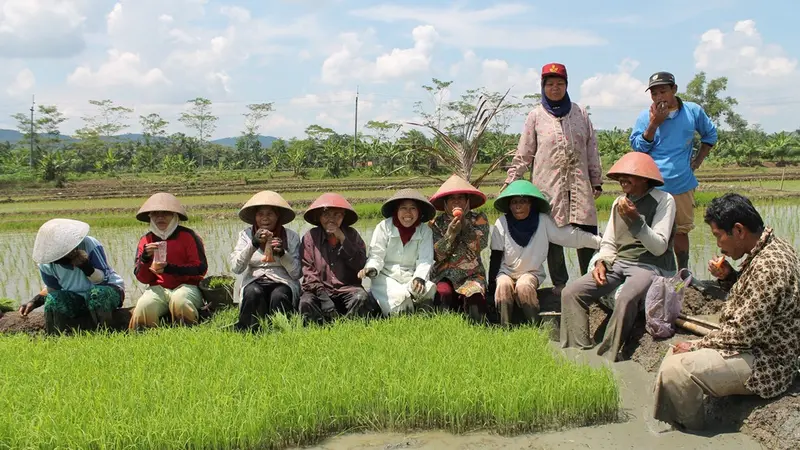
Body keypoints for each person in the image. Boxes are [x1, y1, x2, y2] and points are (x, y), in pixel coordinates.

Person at [653, 193, 799, 431]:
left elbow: (742, 335)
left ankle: (691, 434)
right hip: (757, 345)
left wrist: (696, 345)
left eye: (718, 236)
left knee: (676, 369)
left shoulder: (769, 267)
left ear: (739, 231)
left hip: (768, 364)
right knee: (675, 357)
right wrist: (730, 277)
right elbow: (758, 301)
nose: (718, 244)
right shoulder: (770, 249)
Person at [560, 152, 676, 361]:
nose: (623, 180)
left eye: (629, 176)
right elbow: (609, 243)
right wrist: (601, 262)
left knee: (626, 297)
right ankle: (579, 349)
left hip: (650, 265)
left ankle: (609, 353)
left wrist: (636, 221)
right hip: (620, 263)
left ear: (644, 178)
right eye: (620, 176)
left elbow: (659, 247)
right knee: (571, 292)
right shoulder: (618, 203)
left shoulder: (664, 200)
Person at [502, 62, 602, 296]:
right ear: (543, 87)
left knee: (587, 232)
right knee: (552, 235)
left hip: (579, 187)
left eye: (559, 84)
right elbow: (524, 153)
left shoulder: (580, 113)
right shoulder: (536, 116)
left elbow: (591, 149)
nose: (555, 88)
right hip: (548, 188)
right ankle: (560, 286)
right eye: (550, 84)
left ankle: (591, 283)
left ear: (566, 86)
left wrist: (596, 179)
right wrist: (511, 181)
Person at [630, 71, 718, 271]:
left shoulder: (692, 112)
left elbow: (710, 134)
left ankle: (683, 272)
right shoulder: (645, 117)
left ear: (674, 90)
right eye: (654, 94)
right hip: (651, 185)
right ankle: (652, 272)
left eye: (663, 91)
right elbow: (638, 149)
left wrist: (698, 161)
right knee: (649, 231)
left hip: (681, 183)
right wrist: (654, 124)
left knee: (681, 231)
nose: (659, 97)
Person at [488, 180, 601, 327]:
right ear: (509, 205)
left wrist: (599, 242)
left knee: (524, 286)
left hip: (530, 272)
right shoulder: (501, 222)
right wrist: (491, 287)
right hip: (505, 272)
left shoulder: (543, 221)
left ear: (531, 204)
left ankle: (534, 324)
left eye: (523, 202)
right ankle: (505, 326)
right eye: (514, 202)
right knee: (503, 285)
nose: (518, 206)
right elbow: (495, 256)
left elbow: (569, 236)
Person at [20, 218, 125, 333]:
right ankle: (55, 339)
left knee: (96, 295)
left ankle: (107, 334)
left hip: (107, 290)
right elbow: (53, 289)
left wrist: (85, 266)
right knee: (52, 301)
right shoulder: (46, 263)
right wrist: (35, 301)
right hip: (76, 298)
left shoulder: (89, 244)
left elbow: (102, 280)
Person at [129, 193, 208, 329]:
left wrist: (170, 269)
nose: (160, 217)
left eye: (165, 213)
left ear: (174, 216)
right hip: (158, 289)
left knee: (180, 301)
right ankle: (145, 343)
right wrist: (145, 258)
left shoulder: (188, 236)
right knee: (143, 306)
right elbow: (142, 277)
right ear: (150, 218)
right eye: (155, 214)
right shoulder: (145, 240)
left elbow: (200, 269)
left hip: (187, 286)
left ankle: (189, 337)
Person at [299, 193, 378, 325]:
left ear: (343, 217)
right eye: (326, 215)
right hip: (319, 290)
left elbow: (360, 264)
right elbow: (308, 271)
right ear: (319, 217)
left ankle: (346, 328)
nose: (331, 220)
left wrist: (343, 239)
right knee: (306, 302)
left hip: (347, 288)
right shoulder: (310, 237)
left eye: (337, 215)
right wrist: (324, 298)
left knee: (361, 298)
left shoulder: (352, 235)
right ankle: (321, 330)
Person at [230, 190, 301, 331]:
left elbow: (296, 274)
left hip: (283, 280)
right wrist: (253, 244)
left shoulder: (291, 237)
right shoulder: (245, 235)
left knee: (279, 295)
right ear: (255, 217)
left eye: (270, 214)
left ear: (277, 216)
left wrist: (282, 253)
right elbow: (236, 268)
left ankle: (281, 329)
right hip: (254, 279)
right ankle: (250, 331)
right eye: (260, 214)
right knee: (252, 293)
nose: (265, 218)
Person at [359, 189, 437, 316]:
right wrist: (371, 269)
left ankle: (423, 317)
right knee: (401, 302)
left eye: (413, 208)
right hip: (386, 276)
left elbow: (425, 259)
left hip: (411, 275)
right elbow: (376, 255)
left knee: (428, 290)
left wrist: (419, 277)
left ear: (419, 212)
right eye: (403, 208)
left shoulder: (425, 231)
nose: (408, 213)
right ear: (396, 210)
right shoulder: (384, 227)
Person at [429, 174, 490, 323]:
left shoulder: (479, 219)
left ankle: (478, 329)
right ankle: (444, 328)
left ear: (467, 201)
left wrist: (465, 226)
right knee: (443, 294)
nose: (456, 201)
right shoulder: (436, 223)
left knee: (475, 299)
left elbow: (479, 245)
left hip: (472, 275)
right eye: (452, 198)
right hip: (444, 274)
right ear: (445, 203)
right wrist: (450, 234)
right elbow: (437, 255)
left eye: (461, 198)